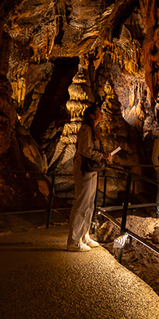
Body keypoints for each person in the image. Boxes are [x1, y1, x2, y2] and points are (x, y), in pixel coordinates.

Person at [67, 104, 110, 251]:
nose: (101, 114)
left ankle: (84, 235)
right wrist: (101, 156)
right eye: (99, 111)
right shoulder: (86, 129)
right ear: (92, 115)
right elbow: (84, 150)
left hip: (92, 169)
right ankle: (73, 241)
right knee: (82, 204)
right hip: (84, 168)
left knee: (90, 204)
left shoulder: (94, 129)